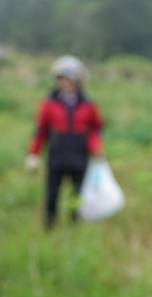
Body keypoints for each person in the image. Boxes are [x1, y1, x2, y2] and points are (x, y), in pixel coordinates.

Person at [26, 55, 104, 229]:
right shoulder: (49, 104)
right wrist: (34, 154)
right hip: (57, 154)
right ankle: (49, 227)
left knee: (78, 194)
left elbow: (95, 128)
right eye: (61, 79)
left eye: (68, 79)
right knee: (52, 194)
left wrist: (95, 146)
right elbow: (41, 131)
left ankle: (75, 224)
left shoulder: (88, 105)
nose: (65, 83)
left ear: (77, 81)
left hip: (79, 154)